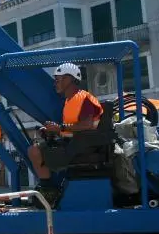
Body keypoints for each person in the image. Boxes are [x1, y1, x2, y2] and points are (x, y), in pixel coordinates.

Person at [28, 63, 103, 199]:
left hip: (83, 148)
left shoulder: (84, 98)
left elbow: (88, 124)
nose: (55, 83)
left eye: (58, 79)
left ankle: (48, 190)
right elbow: (72, 129)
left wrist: (60, 128)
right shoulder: (70, 101)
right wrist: (53, 131)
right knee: (37, 147)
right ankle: (48, 187)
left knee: (34, 151)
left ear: (69, 79)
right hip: (77, 144)